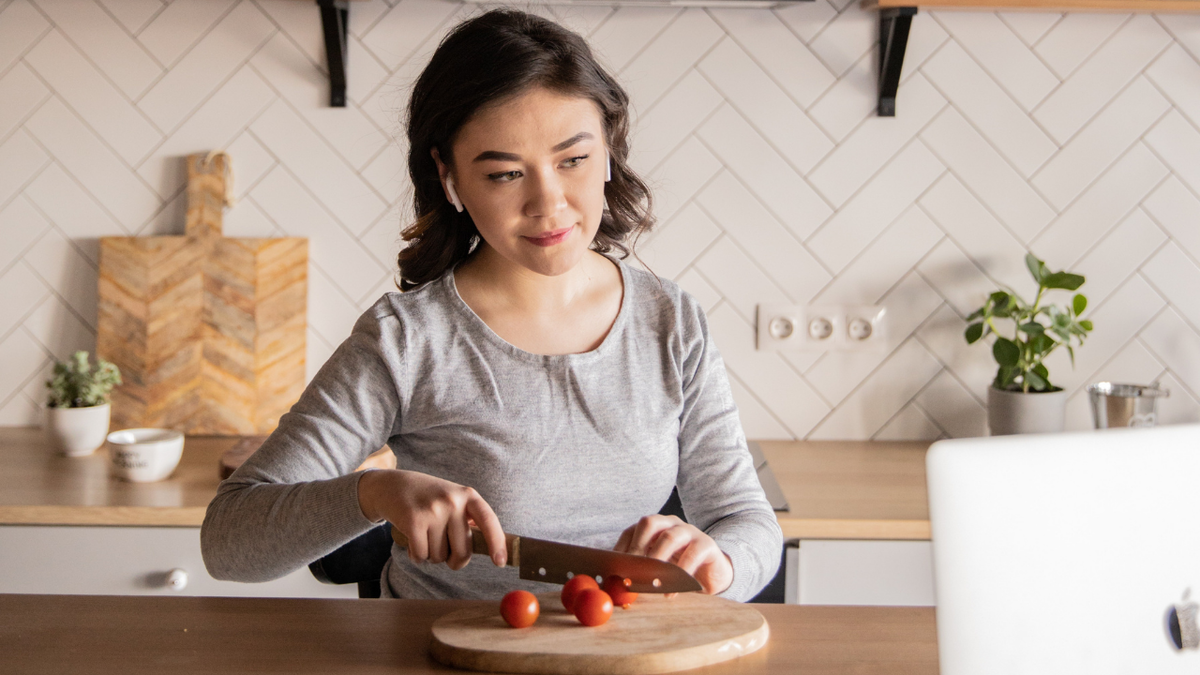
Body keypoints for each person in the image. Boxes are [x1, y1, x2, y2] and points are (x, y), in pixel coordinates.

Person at [201, 8, 782, 602]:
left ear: (609, 149)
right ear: (449, 177)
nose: (548, 205)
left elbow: (748, 523)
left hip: (621, 653)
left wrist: (721, 564)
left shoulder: (670, 321)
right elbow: (227, 541)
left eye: (573, 160)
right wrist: (374, 494)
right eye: (505, 174)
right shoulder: (406, 340)